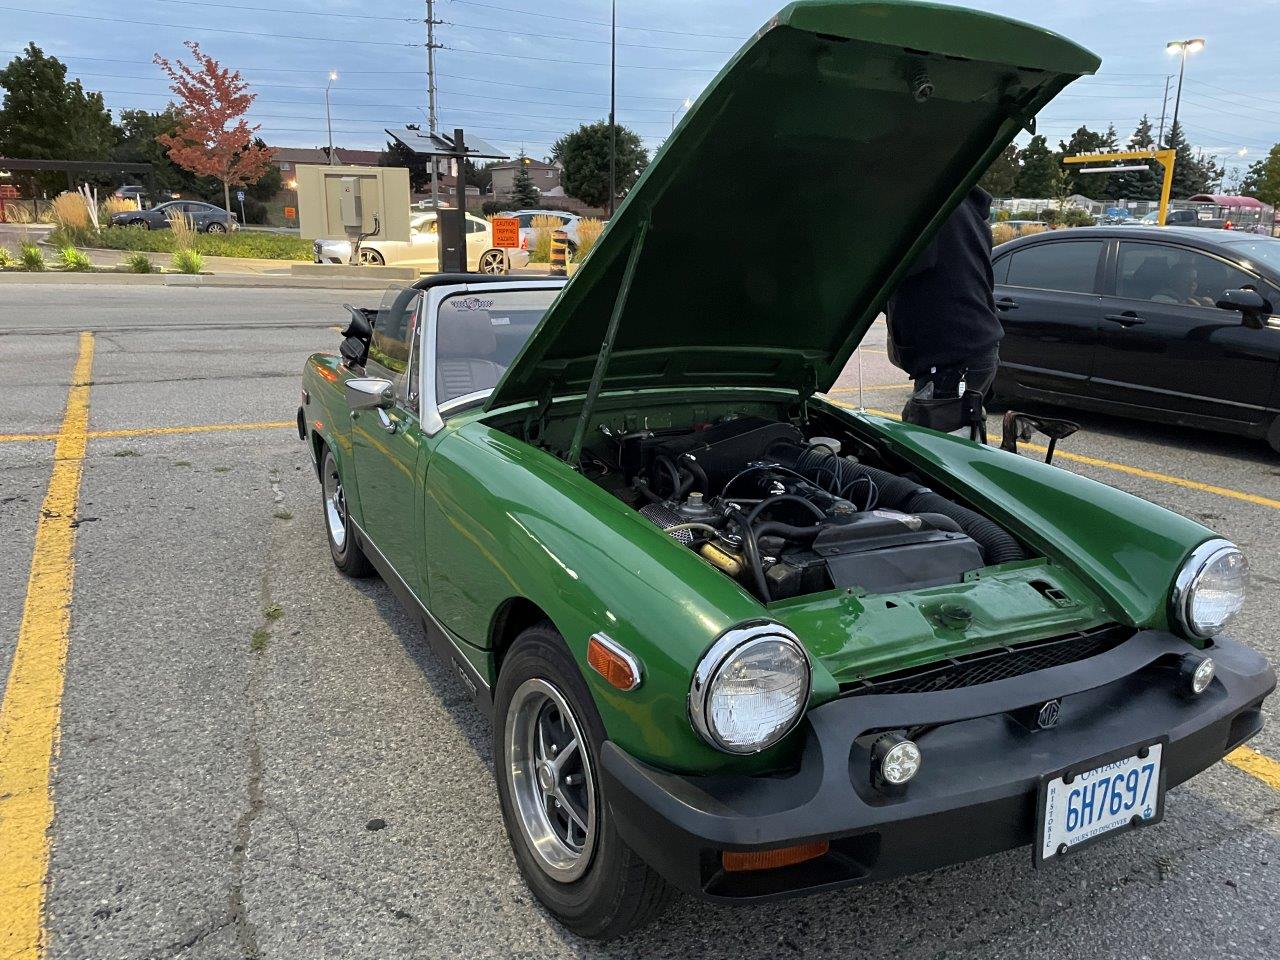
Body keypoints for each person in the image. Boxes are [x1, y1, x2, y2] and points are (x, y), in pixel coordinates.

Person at [885, 185, 1003, 437]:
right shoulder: (966, 210)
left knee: (932, 448)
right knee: (958, 439)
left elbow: (903, 269)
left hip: (953, 354)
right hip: (974, 346)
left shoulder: (933, 212)